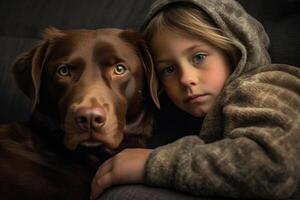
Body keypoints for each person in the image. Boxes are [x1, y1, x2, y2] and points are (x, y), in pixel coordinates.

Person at [90, 0, 300, 199]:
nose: (186, 79)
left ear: (234, 49)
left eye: (198, 57)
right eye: (169, 69)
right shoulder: (202, 115)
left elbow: (273, 166)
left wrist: (151, 164)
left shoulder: (264, 86)